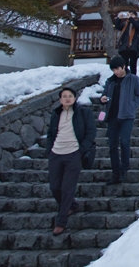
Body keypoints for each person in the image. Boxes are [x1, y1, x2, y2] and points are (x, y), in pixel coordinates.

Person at [46, 87, 96, 236]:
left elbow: (91, 132)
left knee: (67, 189)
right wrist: (49, 149)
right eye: (64, 96)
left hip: (73, 153)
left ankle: (60, 222)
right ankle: (72, 205)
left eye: (70, 96)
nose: (67, 99)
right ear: (60, 99)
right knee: (55, 187)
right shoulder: (56, 114)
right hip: (56, 153)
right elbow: (50, 134)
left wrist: (81, 150)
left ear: (75, 98)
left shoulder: (83, 113)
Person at [100, 56, 139, 185]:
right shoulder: (110, 81)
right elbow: (104, 94)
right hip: (112, 115)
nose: (116, 72)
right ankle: (115, 172)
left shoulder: (133, 79)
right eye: (113, 70)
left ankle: (124, 169)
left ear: (123, 66)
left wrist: (132, 106)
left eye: (117, 69)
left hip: (127, 116)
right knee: (112, 145)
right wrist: (102, 98)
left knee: (124, 142)